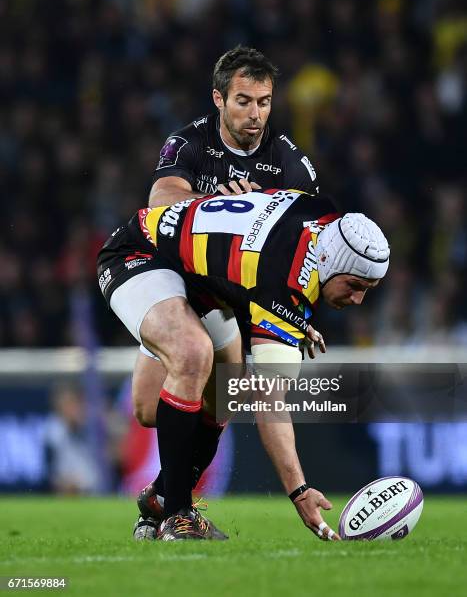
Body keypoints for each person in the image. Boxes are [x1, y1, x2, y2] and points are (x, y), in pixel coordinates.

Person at [97, 188, 390, 541]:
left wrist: (295, 318)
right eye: (355, 285)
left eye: (368, 290)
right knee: (192, 353)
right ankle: (178, 514)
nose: (358, 300)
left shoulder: (323, 213)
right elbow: (270, 403)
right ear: (329, 261)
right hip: (141, 252)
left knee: (224, 395)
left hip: (202, 284)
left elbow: (258, 262)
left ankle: (161, 496)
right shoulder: (285, 288)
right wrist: (299, 490)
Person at [130, 45, 322, 538]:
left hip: (229, 297)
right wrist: (218, 207)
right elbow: (161, 199)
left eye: (263, 102)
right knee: (149, 411)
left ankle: (169, 502)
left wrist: (296, 311)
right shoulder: (189, 144)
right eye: (243, 101)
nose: (254, 114)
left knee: (225, 394)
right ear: (218, 99)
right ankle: (168, 498)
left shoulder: (291, 166)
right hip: (177, 281)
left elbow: (303, 249)